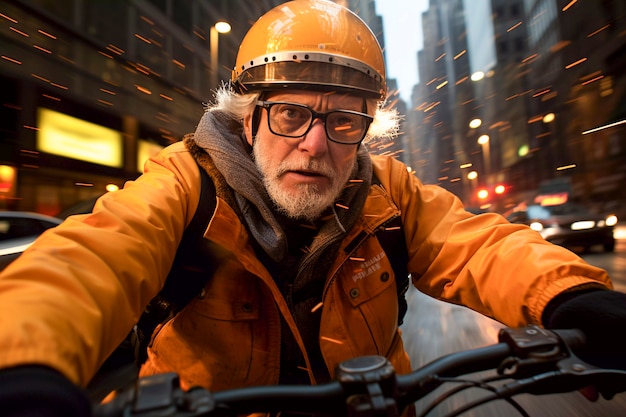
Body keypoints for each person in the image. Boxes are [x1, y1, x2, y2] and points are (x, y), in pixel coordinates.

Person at [1, 0, 625, 415]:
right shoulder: (184, 184)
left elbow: (481, 245)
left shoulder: (387, 190)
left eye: (343, 121)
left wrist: (574, 298)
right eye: (292, 114)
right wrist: (25, 367)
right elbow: (91, 259)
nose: (316, 144)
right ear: (249, 122)